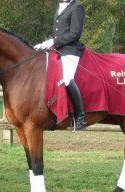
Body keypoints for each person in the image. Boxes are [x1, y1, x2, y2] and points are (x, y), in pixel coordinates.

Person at [34, 0, 86, 130]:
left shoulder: (77, 7)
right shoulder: (59, 6)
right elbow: (58, 31)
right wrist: (47, 42)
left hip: (70, 50)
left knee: (67, 79)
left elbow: (75, 33)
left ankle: (81, 117)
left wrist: (53, 41)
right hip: (57, 49)